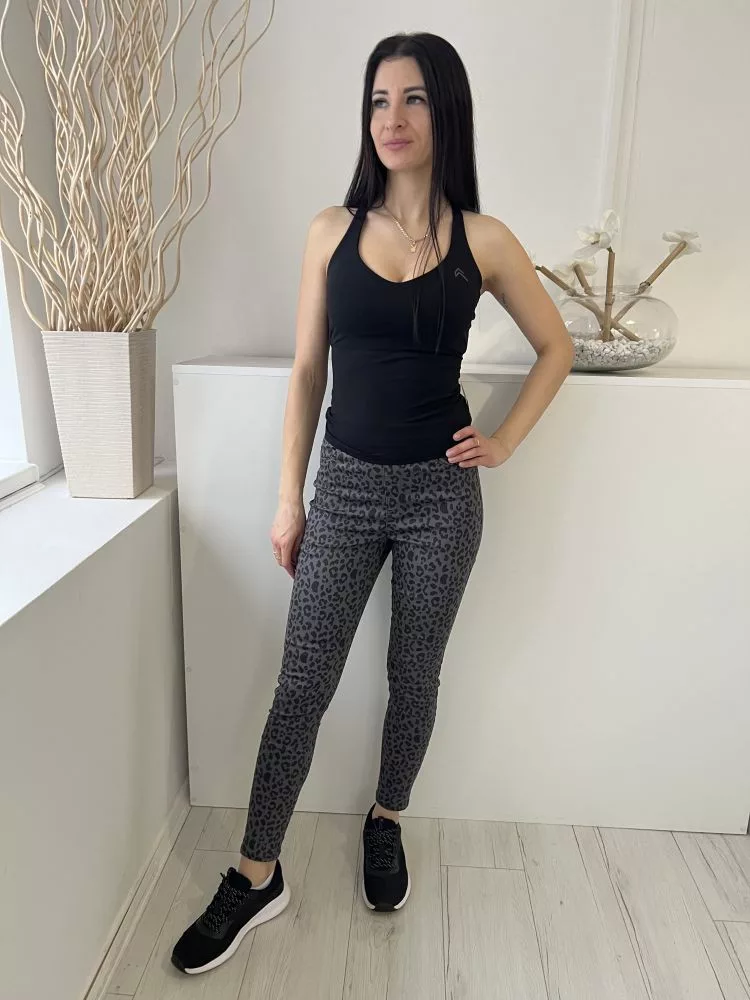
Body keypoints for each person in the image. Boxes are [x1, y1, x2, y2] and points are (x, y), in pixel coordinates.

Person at [171, 31, 574, 976]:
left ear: (447, 112)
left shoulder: (485, 240)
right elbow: (308, 372)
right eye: (379, 100)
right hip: (346, 489)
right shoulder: (331, 231)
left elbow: (557, 348)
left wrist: (505, 440)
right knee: (301, 685)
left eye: (414, 99)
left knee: (414, 677)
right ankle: (256, 873)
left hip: (442, 497)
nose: (393, 118)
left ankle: (386, 818)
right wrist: (289, 500)